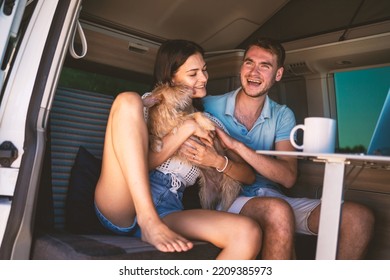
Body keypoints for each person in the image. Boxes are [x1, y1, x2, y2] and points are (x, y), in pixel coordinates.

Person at [202, 37, 375, 259]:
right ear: (241, 66)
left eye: (265, 66)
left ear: (278, 74)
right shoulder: (209, 105)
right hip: (227, 200)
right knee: (277, 210)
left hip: (273, 197)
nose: (254, 72)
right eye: (249, 63)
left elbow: (288, 177)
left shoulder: (282, 115)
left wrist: (237, 146)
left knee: (359, 217)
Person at [94, 39, 262, 259]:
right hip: (122, 200)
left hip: (168, 207)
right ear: (172, 76)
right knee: (127, 99)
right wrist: (186, 128)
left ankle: (153, 221)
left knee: (248, 232)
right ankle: (148, 221)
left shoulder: (209, 123)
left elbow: (248, 177)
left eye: (204, 70)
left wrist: (217, 161)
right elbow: (141, 164)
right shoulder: (146, 106)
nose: (203, 78)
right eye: (193, 74)